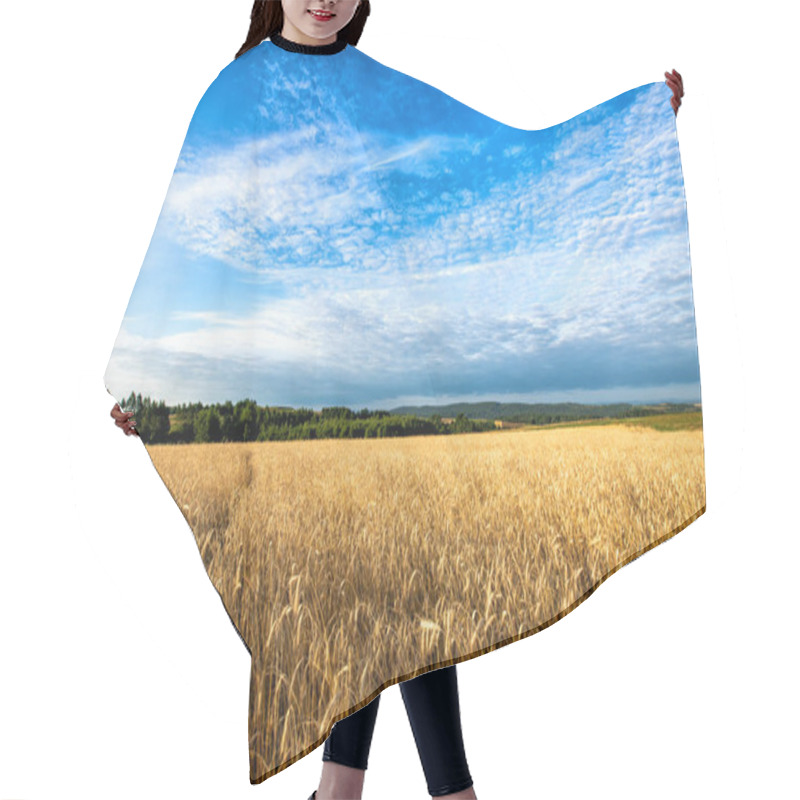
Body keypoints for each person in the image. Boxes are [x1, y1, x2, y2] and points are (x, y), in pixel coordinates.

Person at [109, 2, 685, 798]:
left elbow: (498, 164)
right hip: (296, 404)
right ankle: (420, 791)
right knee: (363, 596)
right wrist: (156, 388)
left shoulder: (382, 92)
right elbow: (192, 247)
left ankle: (356, 790)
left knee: (408, 589)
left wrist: (633, 132)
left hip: (388, 383)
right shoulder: (236, 94)